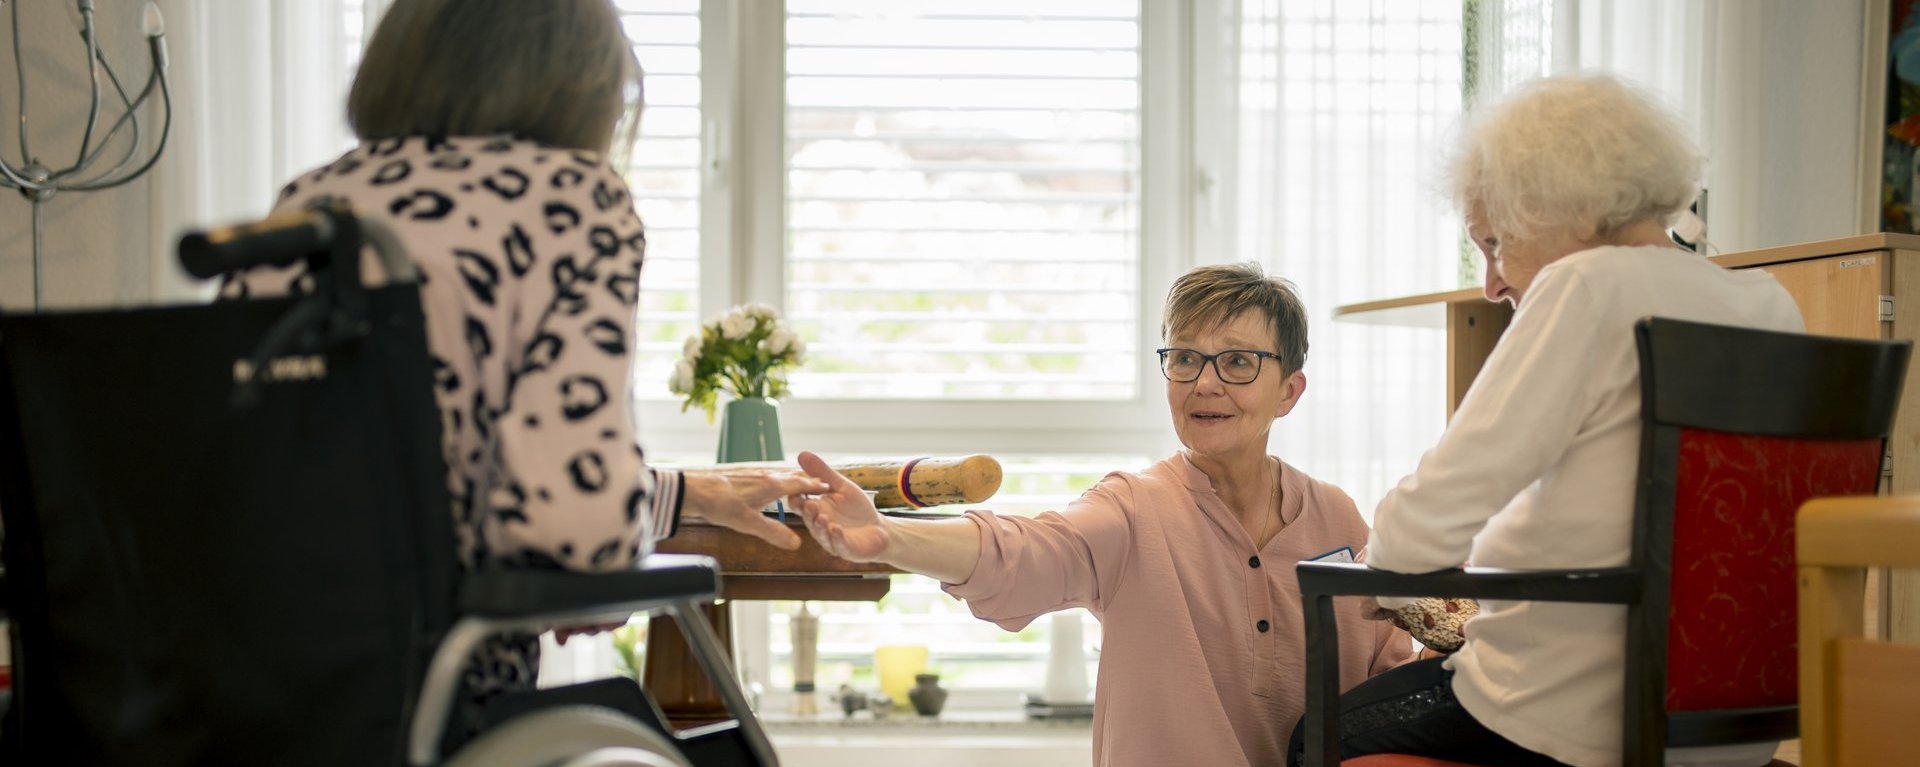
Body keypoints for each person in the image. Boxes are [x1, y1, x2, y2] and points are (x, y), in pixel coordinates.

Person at [219, 0, 825, 726]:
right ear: (583, 80)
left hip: (251, 681)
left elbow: (408, 464)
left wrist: (682, 493)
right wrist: (595, 564)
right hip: (440, 690)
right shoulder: (572, 197)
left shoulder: (311, 199)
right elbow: (578, 529)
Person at [1295, 74, 1804, 767]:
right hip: (1734, 719)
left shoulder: (1588, 284)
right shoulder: (1768, 304)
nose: (1491, 282)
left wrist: (1389, 573)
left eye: (1496, 242)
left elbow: (1420, 530)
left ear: (1549, 202)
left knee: (1314, 738)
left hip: (1573, 714)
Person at [790, 262, 1412, 767]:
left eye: (1238, 361)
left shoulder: (1337, 519)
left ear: (1289, 391)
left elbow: (1388, 684)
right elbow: (1026, 550)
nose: (1205, 384)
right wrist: (886, 537)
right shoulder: (1134, 508)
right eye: (1186, 358)